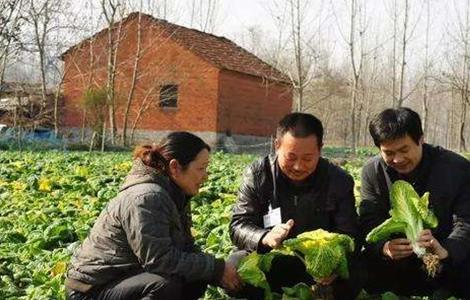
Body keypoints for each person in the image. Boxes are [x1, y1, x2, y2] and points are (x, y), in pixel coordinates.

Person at [65, 132, 242, 300]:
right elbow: (159, 260)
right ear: (175, 167)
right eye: (201, 168)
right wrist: (215, 268)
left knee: (196, 278)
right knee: (164, 284)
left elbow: (185, 248)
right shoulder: (148, 197)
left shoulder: (175, 193)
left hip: (125, 277)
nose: (205, 176)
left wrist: (216, 270)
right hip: (90, 290)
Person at [229, 112, 364, 299]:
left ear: (320, 149)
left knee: (355, 272)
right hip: (271, 257)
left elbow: (349, 234)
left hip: (317, 265)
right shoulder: (259, 173)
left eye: (308, 159)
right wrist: (264, 237)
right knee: (235, 266)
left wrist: (334, 262)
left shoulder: (338, 180)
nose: (299, 166)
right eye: (291, 157)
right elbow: (238, 225)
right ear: (277, 146)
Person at [359, 107, 470, 298]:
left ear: (420, 139)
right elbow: (369, 220)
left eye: (404, 150)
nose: (398, 159)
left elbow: (466, 221)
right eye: (389, 153)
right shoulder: (373, 172)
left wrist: (446, 250)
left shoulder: (456, 169)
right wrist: (384, 247)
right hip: (396, 265)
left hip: (446, 260)